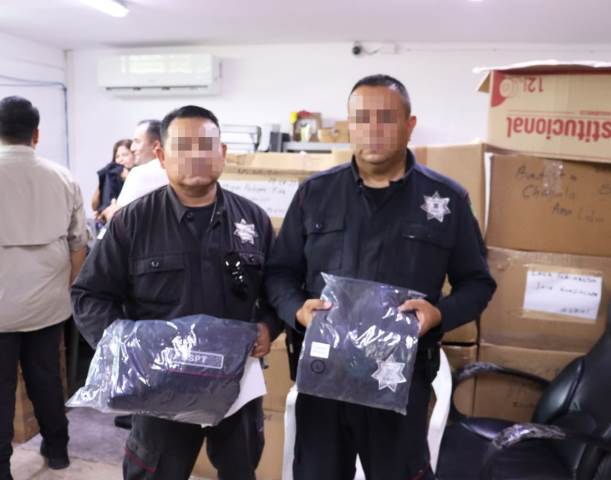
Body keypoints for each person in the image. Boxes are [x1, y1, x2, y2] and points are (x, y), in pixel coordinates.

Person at [265, 74, 497, 480]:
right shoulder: (315, 193)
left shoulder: (446, 199)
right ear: (350, 126)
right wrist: (297, 310)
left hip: (400, 380)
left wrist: (439, 315)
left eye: (386, 118)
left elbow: (478, 283)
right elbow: (280, 273)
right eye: (362, 118)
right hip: (324, 379)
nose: (373, 129)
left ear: (409, 125)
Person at [71, 105, 282, 480]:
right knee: (158, 472)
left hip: (237, 382)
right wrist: (129, 350)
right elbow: (89, 296)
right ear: (162, 156)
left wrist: (269, 326)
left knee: (240, 469)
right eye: (183, 146)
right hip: (159, 387)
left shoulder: (253, 220)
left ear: (222, 152)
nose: (196, 155)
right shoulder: (132, 222)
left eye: (207, 145)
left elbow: (278, 287)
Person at [0, 96, 88, 480]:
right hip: (48, 304)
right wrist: (66, 289)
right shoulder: (63, 177)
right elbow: (79, 244)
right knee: (46, 377)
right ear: (36, 134)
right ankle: (58, 450)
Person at [99, 119, 167, 224]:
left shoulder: (139, 173)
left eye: (137, 141)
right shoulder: (176, 172)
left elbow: (116, 219)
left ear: (155, 146)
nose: (132, 148)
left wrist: (110, 211)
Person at [91, 139, 135, 222]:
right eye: (117, 156)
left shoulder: (139, 175)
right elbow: (94, 206)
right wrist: (101, 183)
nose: (120, 159)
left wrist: (128, 178)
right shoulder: (110, 174)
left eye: (125, 155)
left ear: (134, 155)